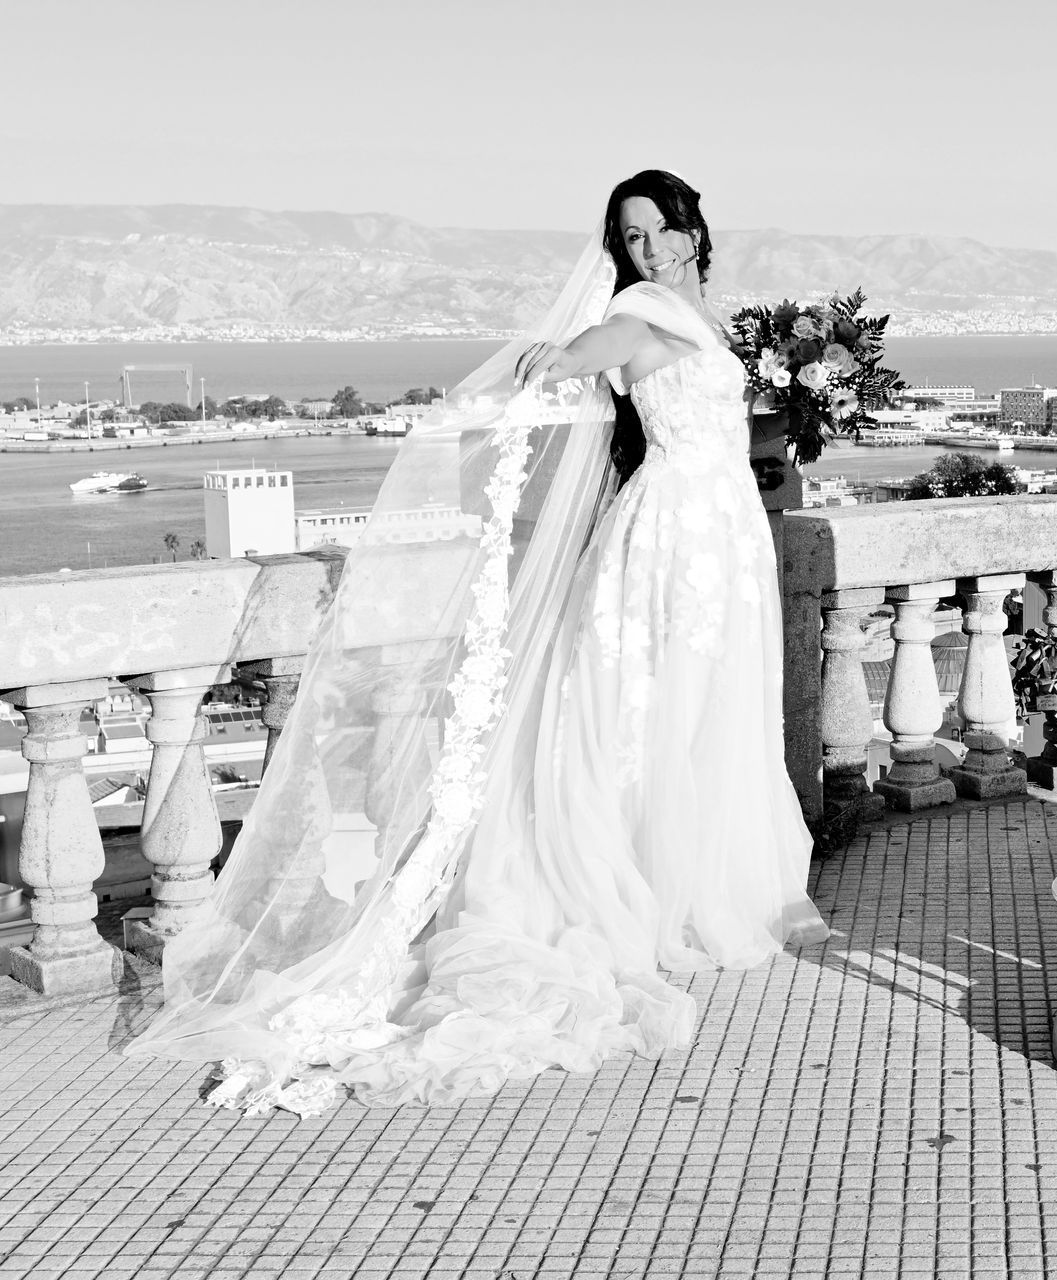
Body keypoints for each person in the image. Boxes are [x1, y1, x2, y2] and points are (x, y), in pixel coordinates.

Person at [126, 171, 826, 1114]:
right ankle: (657, 897)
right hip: (672, 539)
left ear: (694, 229)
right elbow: (594, 351)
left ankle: (698, 891)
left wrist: (788, 410)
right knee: (649, 710)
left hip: (724, 530)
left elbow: (710, 412)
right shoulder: (641, 312)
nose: (651, 248)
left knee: (711, 707)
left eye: (663, 229)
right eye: (632, 236)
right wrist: (557, 357)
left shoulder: (702, 315)